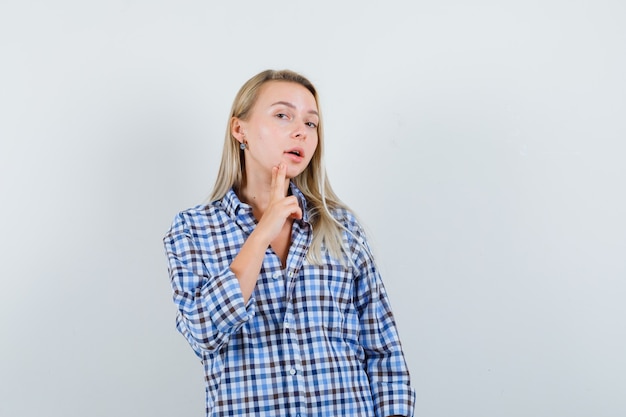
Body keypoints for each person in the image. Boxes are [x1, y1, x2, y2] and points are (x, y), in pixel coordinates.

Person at [163, 69, 415, 417]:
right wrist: (262, 231)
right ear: (240, 130)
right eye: (283, 115)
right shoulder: (194, 229)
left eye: (311, 123)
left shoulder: (341, 226)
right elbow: (202, 332)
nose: (301, 131)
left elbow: (384, 352)